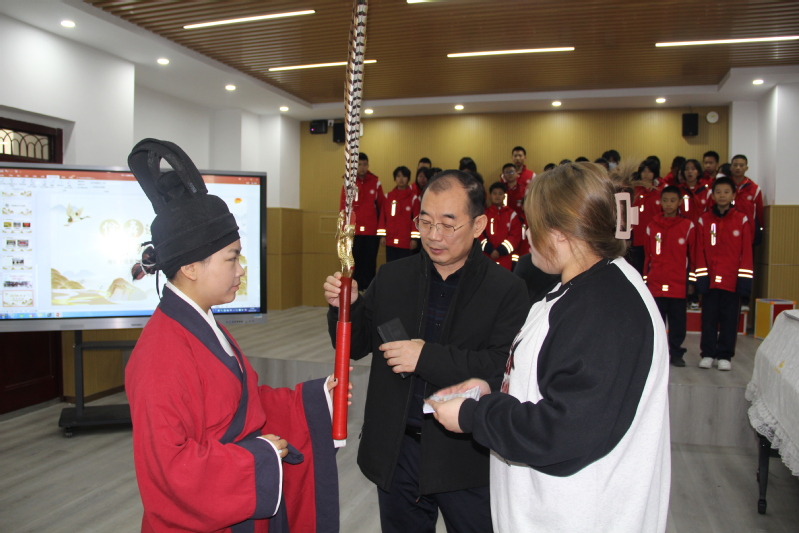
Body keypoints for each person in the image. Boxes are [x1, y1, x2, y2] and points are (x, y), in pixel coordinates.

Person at [427, 162, 671, 533]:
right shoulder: (581, 287)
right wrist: (492, 389)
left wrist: (473, 415)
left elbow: (565, 431)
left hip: (581, 516)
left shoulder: (605, 309)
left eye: (532, 226)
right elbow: (553, 381)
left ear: (559, 233)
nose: (526, 235)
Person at [125, 139, 348, 533]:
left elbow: (241, 407)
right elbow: (170, 469)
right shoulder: (161, 354)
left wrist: (315, 399)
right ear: (191, 268)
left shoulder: (204, 325)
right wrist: (256, 459)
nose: (241, 270)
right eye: (232, 258)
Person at [323, 170, 528, 533]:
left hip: (466, 457)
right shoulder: (393, 277)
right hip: (398, 452)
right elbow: (354, 346)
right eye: (426, 221)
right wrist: (347, 307)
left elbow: (500, 369)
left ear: (479, 225)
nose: (433, 235)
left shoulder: (506, 290)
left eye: (448, 224)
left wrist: (425, 357)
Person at [695, 177, 753, 371]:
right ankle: (708, 354)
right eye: (718, 192)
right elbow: (699, 250)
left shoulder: (741, 219)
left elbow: (746, 252)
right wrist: (701, 277)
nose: (722, 195)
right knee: (708, 318)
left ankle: (725, 355)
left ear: (733, 195)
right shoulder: (704, 220)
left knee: (729, 320)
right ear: (712, 195)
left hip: (732, 280)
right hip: (710, 280)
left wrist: (744, 280)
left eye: (726, 192)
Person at [644, 186, 695, 367]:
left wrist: (691, 281)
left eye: (673, 200)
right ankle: (657, 355)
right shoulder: (651, 226)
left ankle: (676, 353)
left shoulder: (687, 226)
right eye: (665, 200)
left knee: (677, 322)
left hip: (677, 284)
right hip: (656, 283)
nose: (668, 204)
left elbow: (693, 256)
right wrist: (646, 280)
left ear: (680, 202)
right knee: (656, 321)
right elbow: (648, 256)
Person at [340, 152, 384, 289]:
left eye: (365, 164)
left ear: (368, 165)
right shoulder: (348, 183)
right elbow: (343, 207)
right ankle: (356, 292)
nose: (362, 167)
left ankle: (370, 292)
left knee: (370, 263)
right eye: (359, 164)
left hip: (371, 232)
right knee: (355, 264)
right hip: (354, 232)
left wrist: (381, 231)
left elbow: (382, 208)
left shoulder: (375, 182)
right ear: (354, 166)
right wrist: (344, 229)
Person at [629, 157, 663, 275]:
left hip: (656, 237)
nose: (646, 174)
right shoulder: (634, 190)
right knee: (637, 269)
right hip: (637, 237)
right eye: (643, 171)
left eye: (649, 171)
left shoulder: (660, 191)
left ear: (655, 173)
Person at [378, 166, 419, 262]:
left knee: (404, 267)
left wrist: (414, 239)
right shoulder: (388, 196)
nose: (401, 179)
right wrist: (382, 236)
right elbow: (383, 217)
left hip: (406, 241)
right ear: (395, 178)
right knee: (390, 266)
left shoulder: (414, 198)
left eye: (404, 176)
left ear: (408, 178)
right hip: (390, 240)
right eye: (398, 176)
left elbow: (416, 220)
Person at [482, 182, 522, 271]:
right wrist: (489, 250)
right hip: (486, 258)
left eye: (500, 193)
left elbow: (515, 235)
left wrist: (500, 251)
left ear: (504, 196)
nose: (497, 196)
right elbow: (479, 235)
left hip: (506, 259)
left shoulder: (512, 214)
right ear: (490, 196)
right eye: (494, 193)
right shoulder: (484, 214)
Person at [728, 154, 764, 246]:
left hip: (747, 229)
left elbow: (759, 212)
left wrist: (760, 229)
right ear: (731, 167)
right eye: (735, 165)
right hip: (727, 228)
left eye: (741, 165)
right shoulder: (724, 186)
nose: (738, 168)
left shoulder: (754, 188)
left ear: (746, 168)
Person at [677, 159, 711, 224]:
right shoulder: (678, 190)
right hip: (683, 225)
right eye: (686, 169)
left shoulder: (706, 191)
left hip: (702, 226)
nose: (690, 171)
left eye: (693, 169)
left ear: (698, 172)